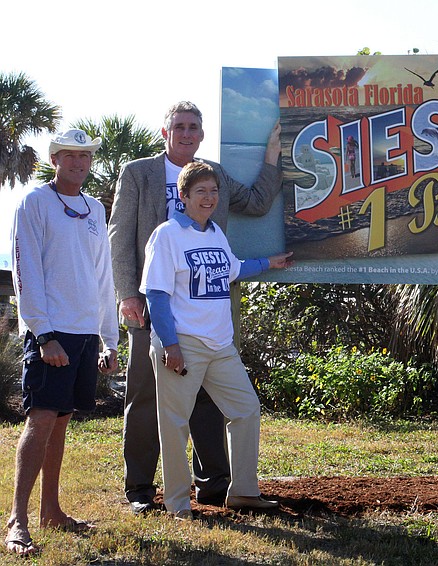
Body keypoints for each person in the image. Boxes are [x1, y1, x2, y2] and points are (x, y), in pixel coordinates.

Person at [108, 101, 282, 514]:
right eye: (179, 127)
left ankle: (215, 486)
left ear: (201, 135)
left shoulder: (214, 175)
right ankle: (141, 490)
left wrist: (272, 156)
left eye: (193, 128)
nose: (186, 133)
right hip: (154, 305)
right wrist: (127, 293)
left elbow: (256, 202)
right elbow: (119, 233)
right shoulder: (138, 173)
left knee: (208, 403)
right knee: (148, 399)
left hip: (207, 315)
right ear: (165, 132)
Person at [140, 162, 293, 519]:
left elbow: (233, 269)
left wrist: (269, 262)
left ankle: (242, 492)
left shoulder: (215, 234)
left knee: (245, 409)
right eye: (200, 192)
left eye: (213, 191)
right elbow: (157, 295)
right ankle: (178, 504)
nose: (209, 198)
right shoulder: (167, 235)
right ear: (183, 196)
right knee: (175, 424)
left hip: (221, 345)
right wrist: (171, 345)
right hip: (183, 344)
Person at [6, 130, 119, 555]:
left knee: (62, 421)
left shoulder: (94, 208)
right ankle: (17, 519)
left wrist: (108, 337)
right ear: (55, 159)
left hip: (87, 333)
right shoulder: (34, 202)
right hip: (51, 332)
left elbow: (102, 274)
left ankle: (50, 510)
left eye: (85, 156)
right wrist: (44, 333)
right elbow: (25, 269)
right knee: (41, 418)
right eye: (70, 155)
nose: (78, 162)